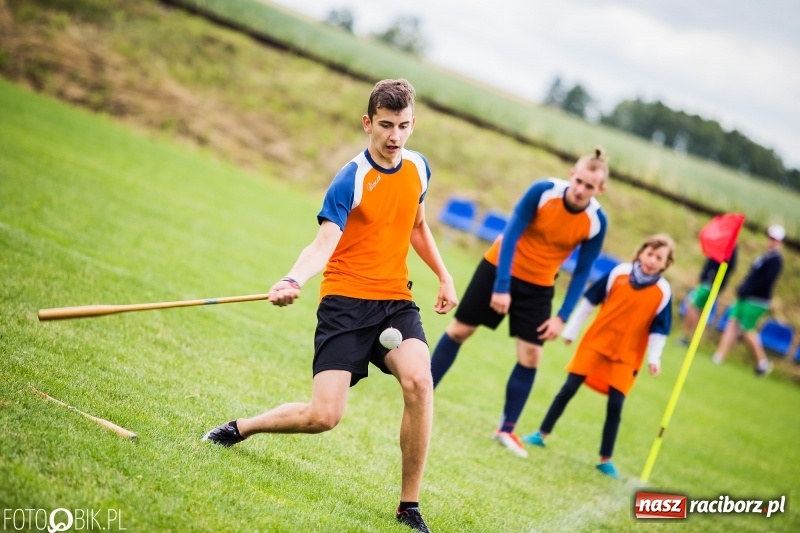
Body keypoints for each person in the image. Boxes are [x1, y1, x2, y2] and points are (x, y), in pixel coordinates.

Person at [202, 79, 458, 533]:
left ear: (413, 123)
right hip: (345, 303)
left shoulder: (419, 168)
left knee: (420, 381)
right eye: (385, 125)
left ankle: (409, 507)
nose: (394, 136)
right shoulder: (350, 179)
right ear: (367, 123)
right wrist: (293, 278)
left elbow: (416, 225)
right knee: (324, 417)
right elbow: (324, 242)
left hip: (395, 300)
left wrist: (443, 274)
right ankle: (243, 427)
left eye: (402, 125)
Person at [429, 148, 609, 458]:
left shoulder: (596, 222)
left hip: (539, 287)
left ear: (600, 189)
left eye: (589, 186)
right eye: (578, 181)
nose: (581, 190)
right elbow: (511, 235)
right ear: (571, 175)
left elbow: (582, 272)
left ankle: (506, 429)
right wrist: (501, 286)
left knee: (531, 356)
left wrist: (562, 317)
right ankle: (422, 395)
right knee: (460, 331)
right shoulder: (542, 192)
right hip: (499, 267)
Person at [522, 234, 676, 479]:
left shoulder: (663, 292)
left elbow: (660, 330)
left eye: (659, 258)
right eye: (649, 253)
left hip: (626, 356)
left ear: (666, 264)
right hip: (595, 344)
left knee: (616, 405)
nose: (652, 260)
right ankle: (541, 434)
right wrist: (571, 330)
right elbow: (588, 302)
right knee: (568, 389)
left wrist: (654, 359)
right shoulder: (619, 274)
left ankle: (606, 459)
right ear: (640, 253)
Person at [711, 224, 785, 376]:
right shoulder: (765, 256)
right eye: (770, 238)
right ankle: (719, 356)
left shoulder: (776, 260)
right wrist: (742, 289)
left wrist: (747, 290)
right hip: (744, 297)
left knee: (746, 329)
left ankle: (762, 362)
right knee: (732, 323)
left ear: (780, 242)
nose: (771, 241)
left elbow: (765, 281)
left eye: (775, 239)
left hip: (757, 300)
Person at [678, 245, 738, 345]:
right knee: (697, 309)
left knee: (692, 305)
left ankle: (688, 337)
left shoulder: (731, 246)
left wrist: (712, 276)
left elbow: (730, 266)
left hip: (710, 284)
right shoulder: (723, 242)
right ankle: (690, 338)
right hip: (708, 283)